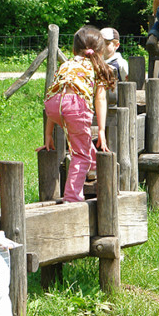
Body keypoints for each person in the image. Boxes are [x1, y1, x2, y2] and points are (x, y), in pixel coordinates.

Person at [43, 25, 116, 203]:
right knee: (80, 154)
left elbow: (55, 93)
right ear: (99, 50)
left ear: (74, 49)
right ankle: (72, 197)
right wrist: (100, 130)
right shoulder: (96, 66)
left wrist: (48, 134)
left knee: (79, 140)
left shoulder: (66, 64)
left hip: (52, 107)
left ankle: (92, 168)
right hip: (75, 105)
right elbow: (100, 100)